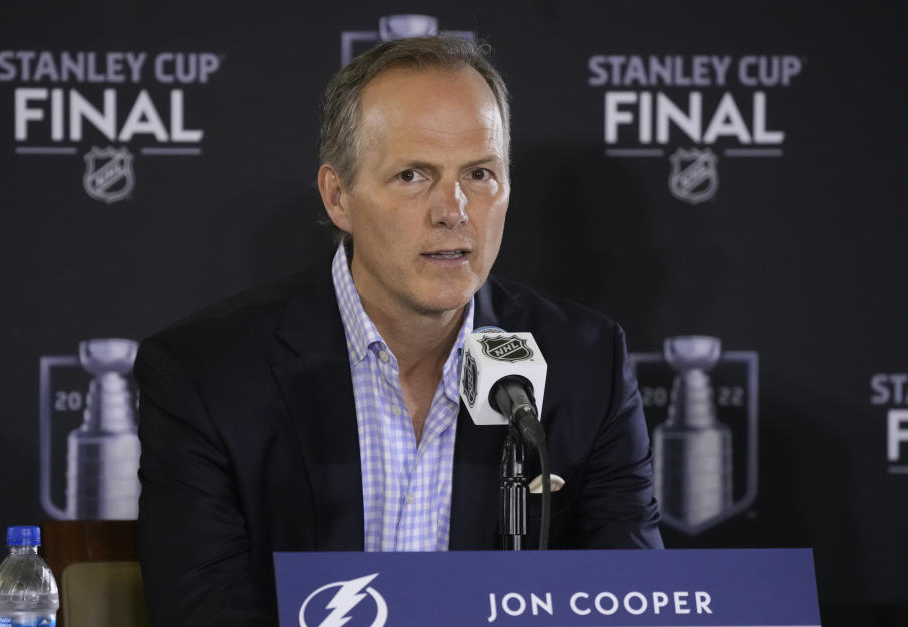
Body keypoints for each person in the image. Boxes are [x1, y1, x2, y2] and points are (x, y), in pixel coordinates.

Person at [134, 35, 662, 627]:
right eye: (413, 175)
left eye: (480, 174)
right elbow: (205, 613)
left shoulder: (583, 362)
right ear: (338, 197)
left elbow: (629, 603)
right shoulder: (206, 374)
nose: (453, 209)